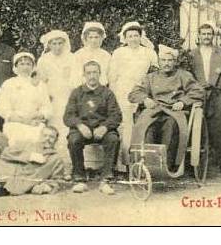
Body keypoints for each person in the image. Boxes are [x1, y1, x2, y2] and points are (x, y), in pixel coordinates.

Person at [128, 45, 205, 172]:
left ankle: (166, 166)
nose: (166, 64)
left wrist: (182, 102)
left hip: (174, 112)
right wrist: (145, 99)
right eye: (163, 60)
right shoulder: (150, 77)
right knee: (146, 128)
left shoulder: (183, 75)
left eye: (170, 60)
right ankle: (146, 165)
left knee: (170, 126)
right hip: (154, 110)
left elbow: (198, 91)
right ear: (159, 62)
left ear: (175, 62)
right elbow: (134, 93)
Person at [65, 61, 123, 195]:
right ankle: (79, 178)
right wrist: (79, 125)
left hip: (102, 129)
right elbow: (68, 116)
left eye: (95, 72)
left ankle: (106, 179)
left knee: (113, 139)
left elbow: (116, 115)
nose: (92, 76)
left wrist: (104, 127)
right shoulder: (77, 92)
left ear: (100, 74)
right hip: (82, 129)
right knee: (74, 140)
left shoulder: (107, 93)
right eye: (89, 73)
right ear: (84, 75)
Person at [108, 22, 159, 169]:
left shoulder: (148, 52)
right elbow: (112, 75)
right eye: (130, 36)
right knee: (124, 125)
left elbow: (155, 71)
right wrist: (113, 94)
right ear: (125, 38)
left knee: (141, 124)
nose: (133, 39)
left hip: (142, 91)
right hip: (122, 91)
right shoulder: (118, 53)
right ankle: (123, 165)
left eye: (136, 35)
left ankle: (140, 163)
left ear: (140, 36)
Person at [189, 23, 221, 174]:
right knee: (196, 127)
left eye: (209, 34)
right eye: (203, 34)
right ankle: (195, 164)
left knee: (219, 127)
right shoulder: (192, 55)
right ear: (199, 36)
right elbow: (188, 77)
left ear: (213, 36)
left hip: (216, 93)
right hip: (198, 94)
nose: (206, 37)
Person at [35, 30, 78, 163]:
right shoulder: (44, 60)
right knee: (52, 128)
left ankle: (68, 162)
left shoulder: (72, 58)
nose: (57, 46)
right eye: (54, 43)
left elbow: (76, 79)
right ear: (49, 44)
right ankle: (52, 161)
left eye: (60, 43)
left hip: (68, 97)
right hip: (51, 99)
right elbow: (41, 81)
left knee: (67, 128)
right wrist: (46, 96)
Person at [0, 52, 53, 149]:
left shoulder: (40, 85)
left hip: (35, 122)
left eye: (28, 64)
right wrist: (21, 120)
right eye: (22, 64)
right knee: (17, 143)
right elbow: (1, 107)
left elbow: (47, 107)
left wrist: (39, 115)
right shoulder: (9, 84)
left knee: (37, 142)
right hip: (15, 123)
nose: (25, 67)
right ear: (16, 66)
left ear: (33, 66)